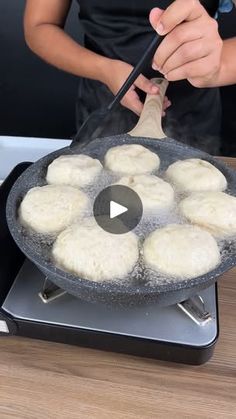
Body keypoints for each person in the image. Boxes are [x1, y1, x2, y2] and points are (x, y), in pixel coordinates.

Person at [24, 0, 234, 154]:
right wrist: (103, 69)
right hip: (103, 106)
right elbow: (39, 25)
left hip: (194, 114)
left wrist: (217, 66)